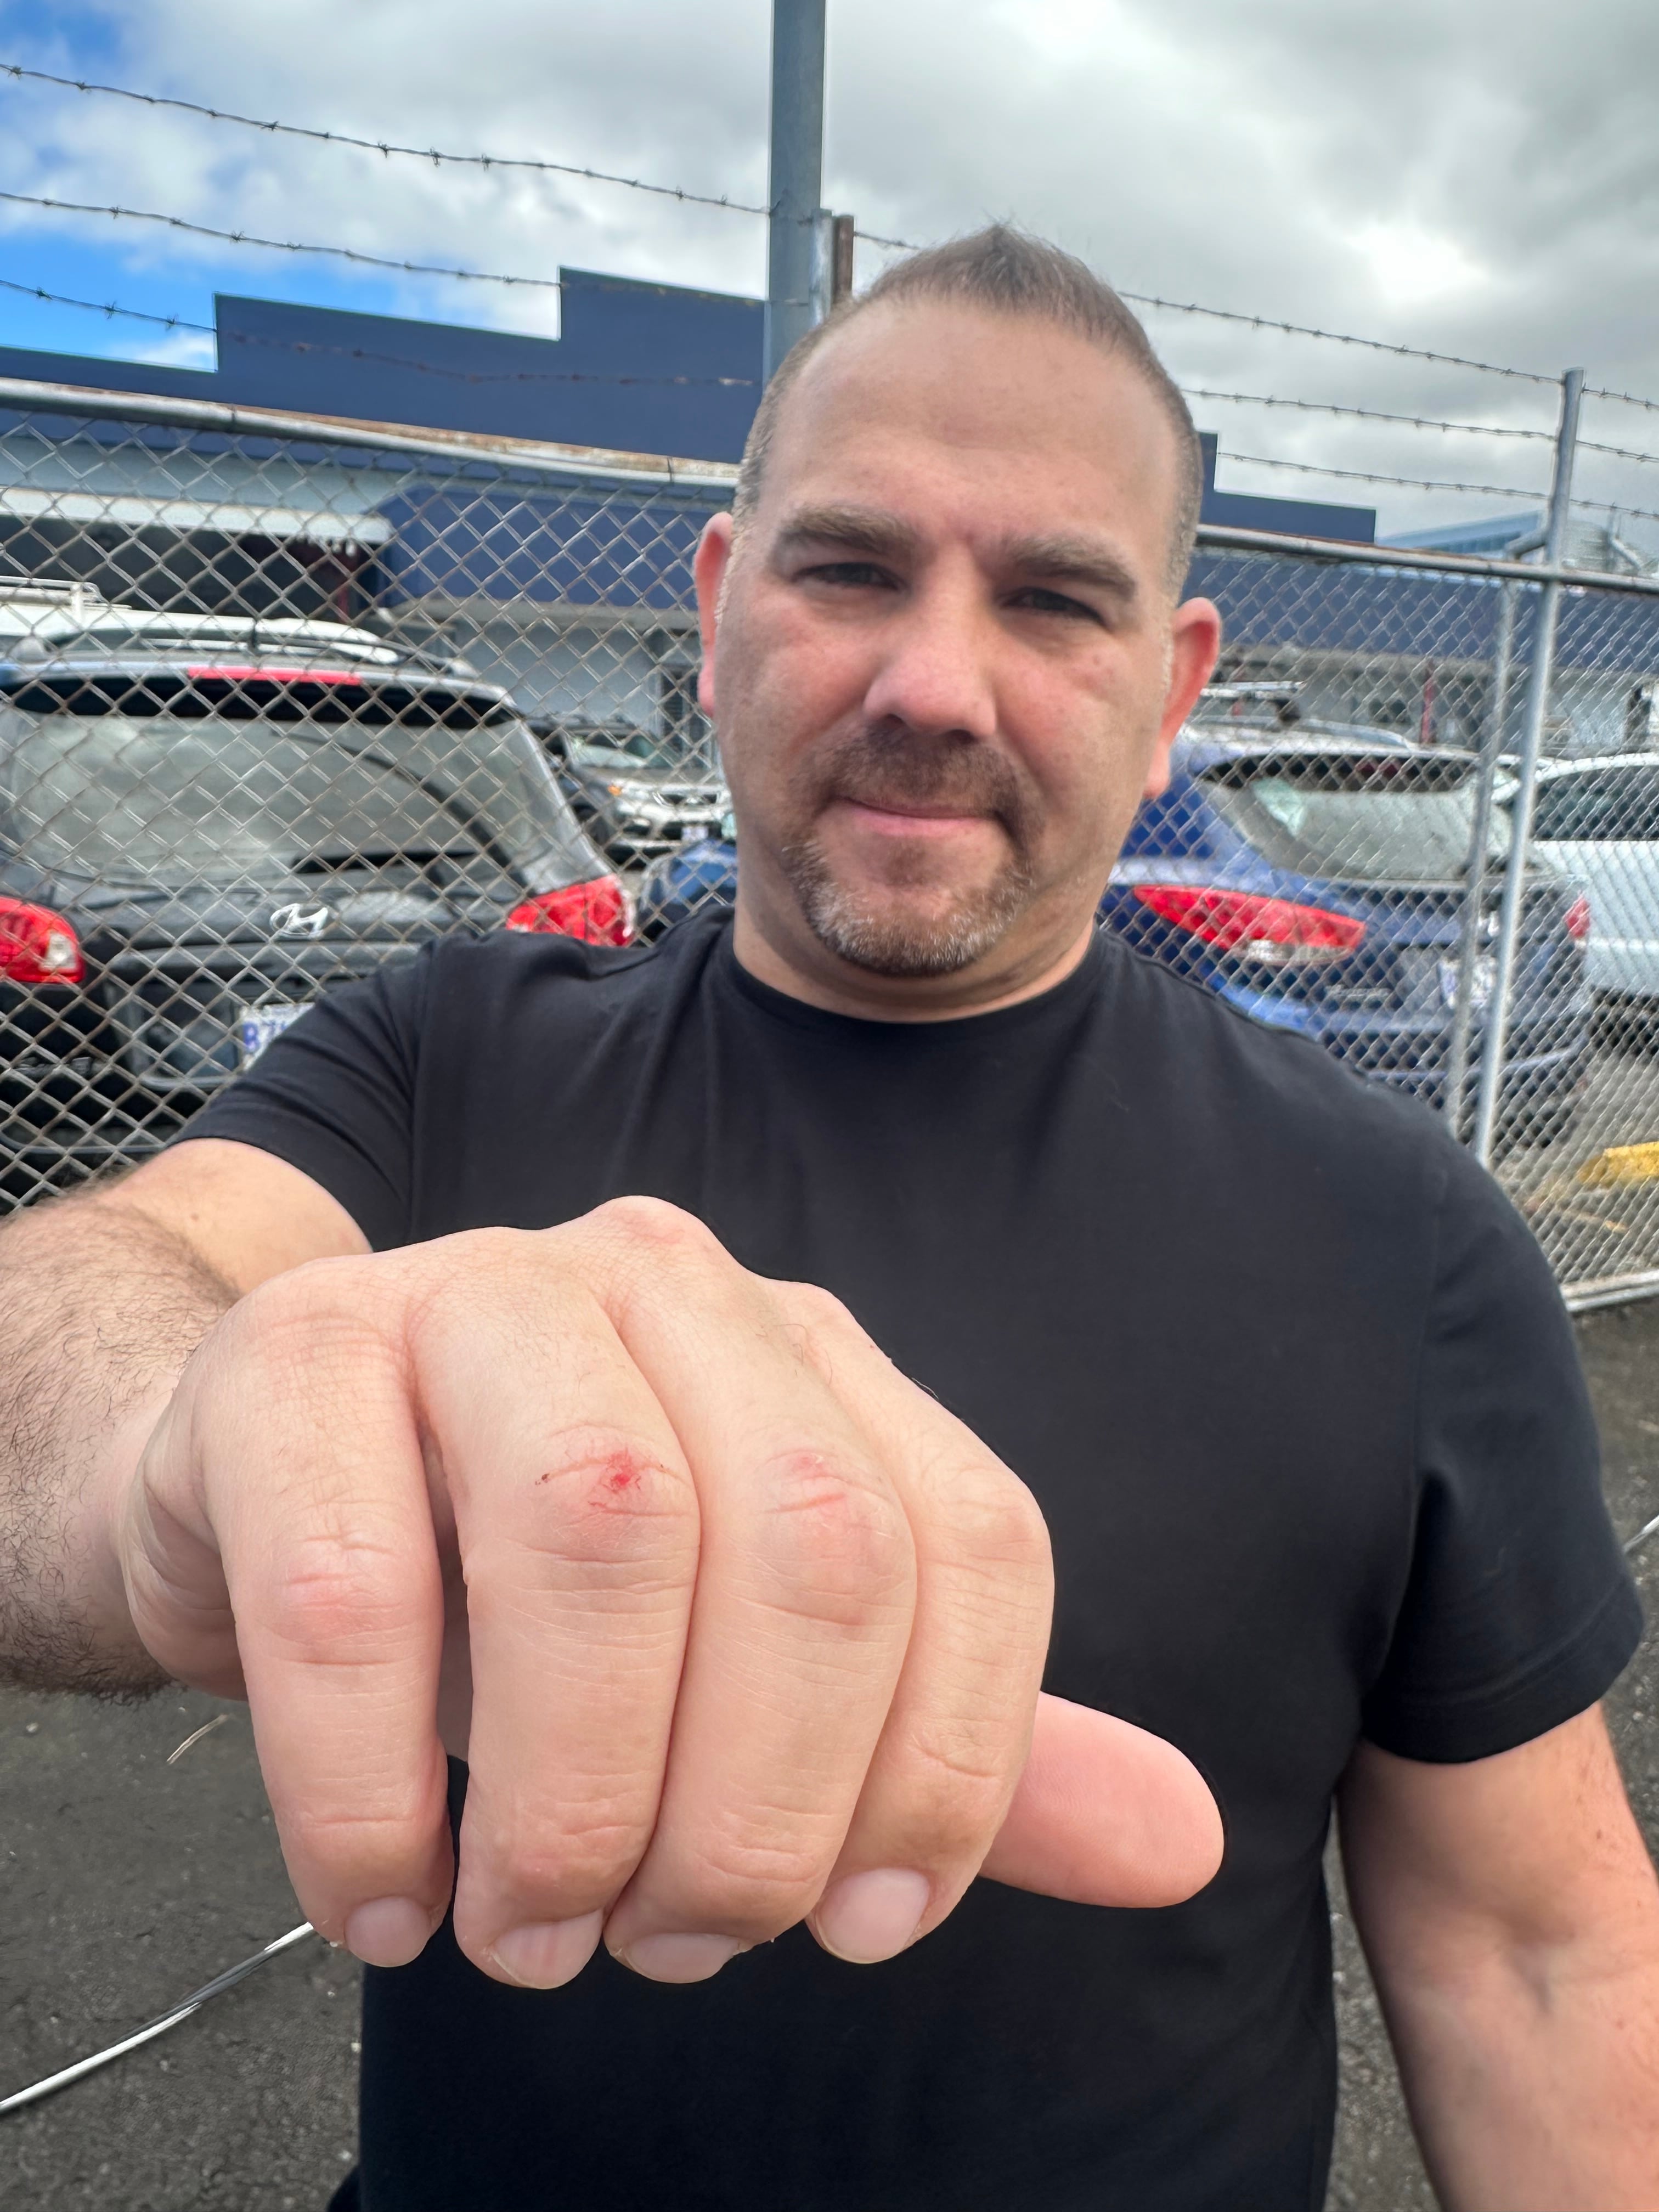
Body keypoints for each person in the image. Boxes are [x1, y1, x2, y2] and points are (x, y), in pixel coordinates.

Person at [2, 225, 1656, 2212]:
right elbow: (89, 1306)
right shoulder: (442, 1067)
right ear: (717, 611)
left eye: (1054, 600)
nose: (934, 681)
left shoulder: (1409, 1235)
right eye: (851, 566)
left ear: (1169, 691)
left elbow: (1536, 1952)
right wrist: (184, 1453)